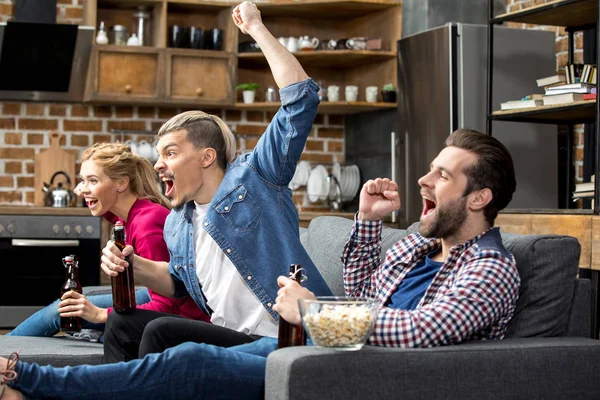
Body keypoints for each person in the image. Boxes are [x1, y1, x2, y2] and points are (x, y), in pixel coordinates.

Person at [0, 127, 521, 400]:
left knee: (188, 361)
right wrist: (366, 221)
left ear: (479, 199)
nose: (424, 182)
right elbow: (365, 295)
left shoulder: (491, 268)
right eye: (430, 170)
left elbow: (420, 331)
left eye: (443, 177)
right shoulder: (417, 246)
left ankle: (31, 378)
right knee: (177, 342)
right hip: (326, 348)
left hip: (360, 369)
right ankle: (34, 380)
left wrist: (314, 313)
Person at [99, 1, 332, 363]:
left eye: (171, 153)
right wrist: (133, 265)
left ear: (207, 157)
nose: (158, 164)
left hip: (279, 339)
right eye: (159, 155)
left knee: (161, 331)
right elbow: (178, 282)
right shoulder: (178, 222)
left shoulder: (257, 179)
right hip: (231, 337)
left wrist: (255, 27)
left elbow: (300, 100)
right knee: (122, 322)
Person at [7, 142, 209, 343]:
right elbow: (112, 216)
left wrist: (101, 314)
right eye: (82, 181)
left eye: (93, 180)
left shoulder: (146, 225)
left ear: (122, 183)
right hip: (159, 300)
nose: (83, 189)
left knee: (61, 312)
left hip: (185, 321)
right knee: (64, 309)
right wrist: (90, 189)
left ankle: (4, 351)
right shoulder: (132, 214)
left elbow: (168, 307)